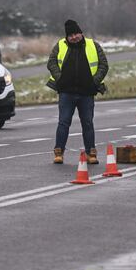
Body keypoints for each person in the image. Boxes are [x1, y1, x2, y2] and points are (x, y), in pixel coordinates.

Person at [47, 19, 108, 165]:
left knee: (87, 123)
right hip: (66, 92)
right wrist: (60, 78)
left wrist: (94, 81)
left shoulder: (93, 45)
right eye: (70, 35)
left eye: (76, 34)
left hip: (87, 93)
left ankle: (91, 153)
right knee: (63, 123)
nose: (74, 37)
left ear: (81, 33)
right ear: (67, 37)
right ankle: (58, 153)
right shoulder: (60, 45)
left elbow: (103, 65)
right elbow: (51, 62)